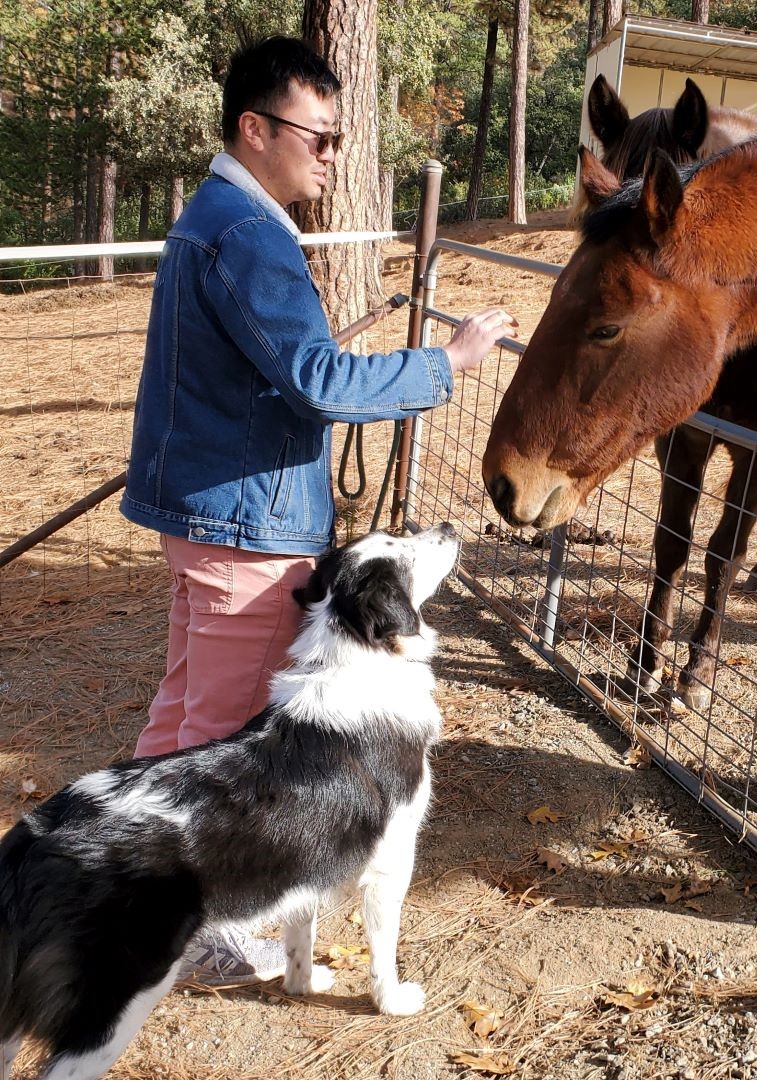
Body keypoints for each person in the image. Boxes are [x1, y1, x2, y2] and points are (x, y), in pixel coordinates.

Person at [119, 35, 516, 986]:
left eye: (338, 139)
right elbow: (317, 377)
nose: (331, 155)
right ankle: (188, 924)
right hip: (245, 525)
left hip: (211, 511)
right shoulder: (247, 233)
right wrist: (447, 363)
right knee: (217, 740)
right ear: (254, 130)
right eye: (320, 136)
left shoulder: (216, 215)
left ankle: (135, 883)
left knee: (183, 716)